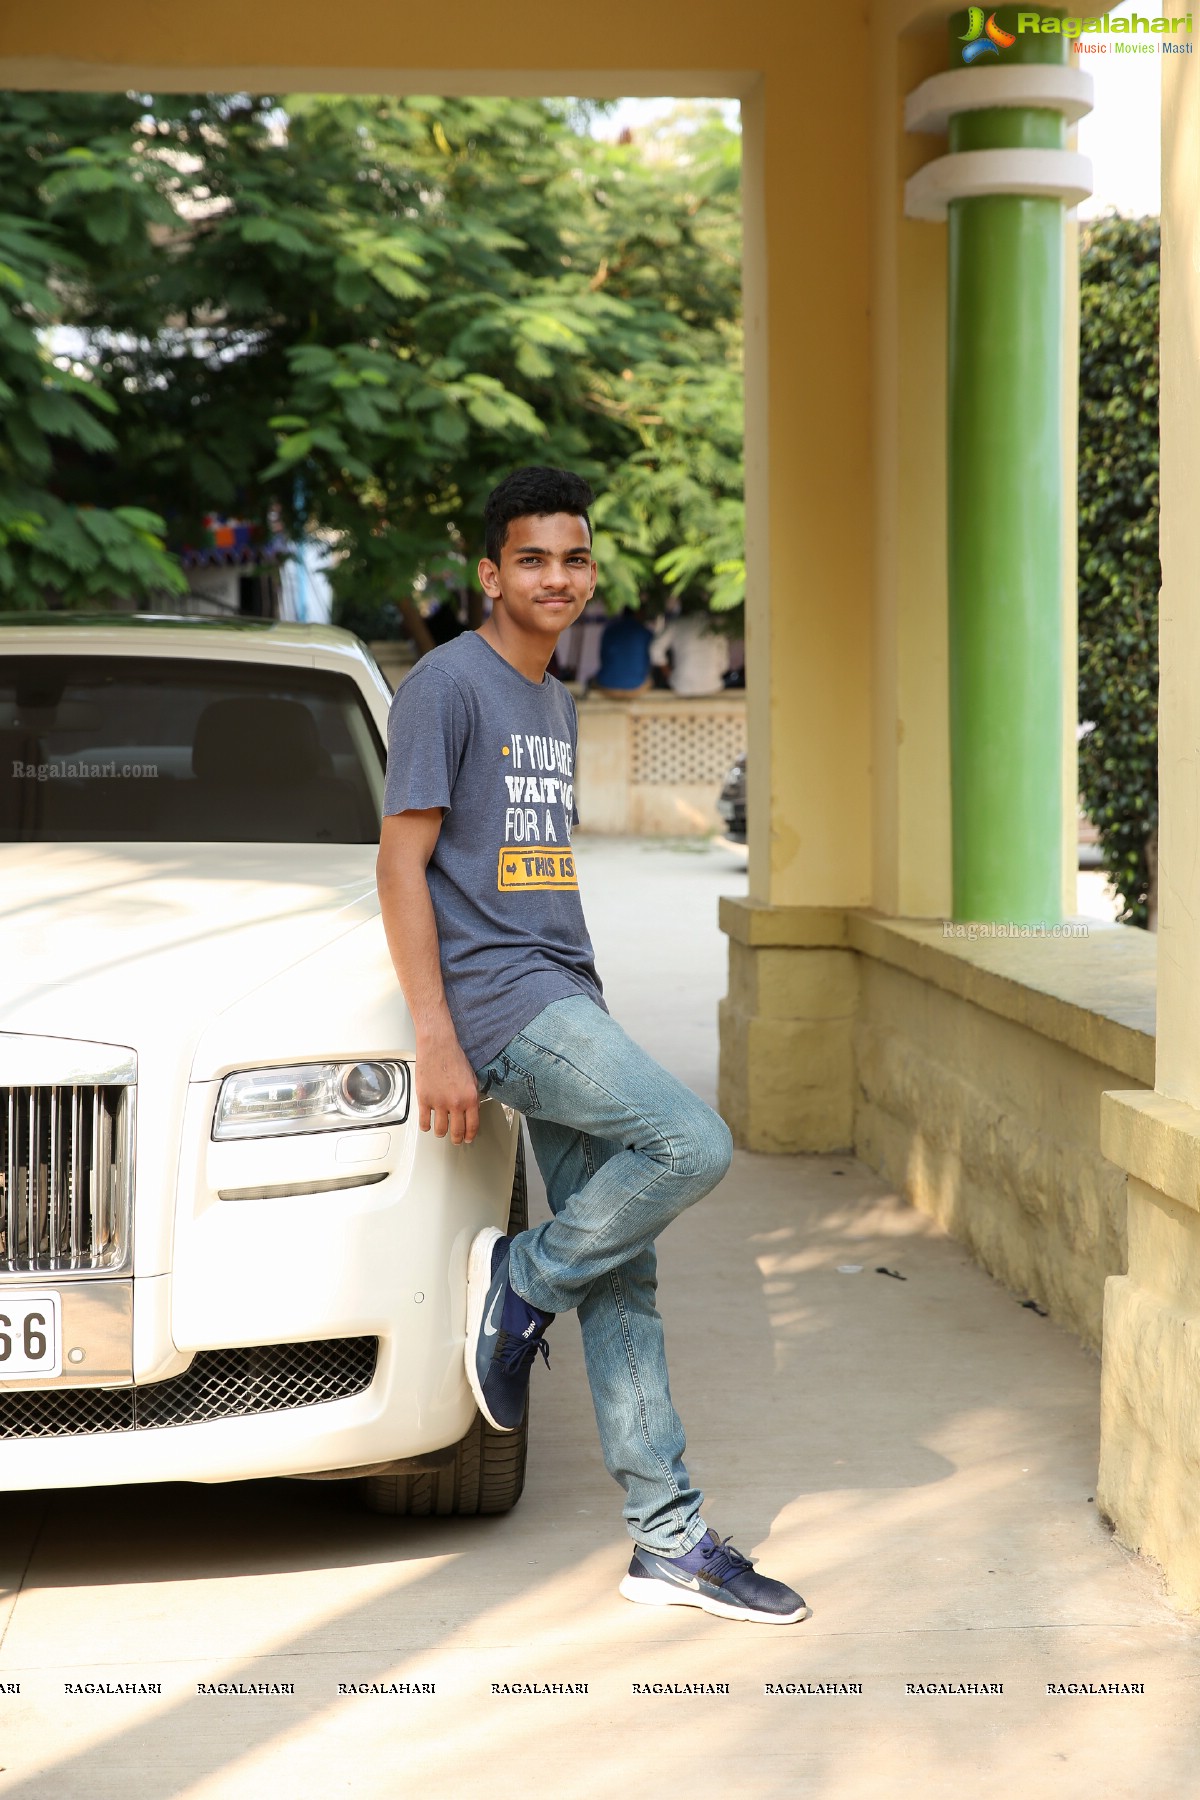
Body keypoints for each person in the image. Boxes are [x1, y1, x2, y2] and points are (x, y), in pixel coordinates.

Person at [376, 465, 809, 1626]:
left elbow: (532, 878)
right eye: (531, 558)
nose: (556, 577)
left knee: (627, 1274)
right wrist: (438, 1036)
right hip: (503, 1005)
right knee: (693, 1143)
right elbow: (400, 864)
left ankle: (667, 1541)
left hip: (566, 991)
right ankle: (521, 1283)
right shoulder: (446, 690)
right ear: (489, 572)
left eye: (573, 558)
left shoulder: (553, 700)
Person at [649, 608, 730, 696]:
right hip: (712, 685)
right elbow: (723, 665)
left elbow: (655, 649)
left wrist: (667, 672)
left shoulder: (676, 624)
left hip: (682, 686)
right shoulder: (716, 626)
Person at [588, 604, 653, 697]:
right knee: (650, 681)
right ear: (639, 613)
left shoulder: (609, 630)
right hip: (635, 688)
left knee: (591, 681)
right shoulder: (646, 633)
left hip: (606, 686)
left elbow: (603, 658)